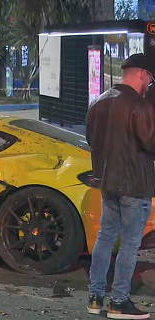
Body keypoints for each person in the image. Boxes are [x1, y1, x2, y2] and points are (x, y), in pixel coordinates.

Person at [86, 53, 155, 319]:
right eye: (149, 78)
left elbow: (91, 140)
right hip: (134, 186)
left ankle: (95, 297)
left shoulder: (99, 102)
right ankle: (119, 301)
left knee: (105, 237)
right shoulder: (138, 105)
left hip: (108, 183)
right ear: (141, 74)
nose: (149, 84)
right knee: (129, 244)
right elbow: (150, 143)